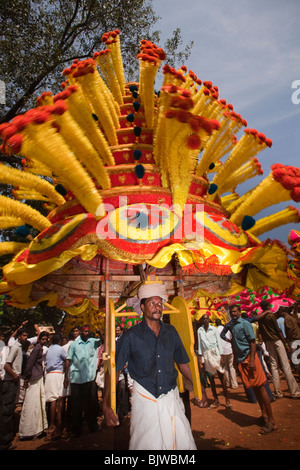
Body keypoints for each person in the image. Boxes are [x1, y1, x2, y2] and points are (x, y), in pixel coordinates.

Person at [103, 282, 197, 450]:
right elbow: (114, 370)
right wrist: (106, 405)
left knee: (181, 441)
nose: (157, 307)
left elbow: (183, 363)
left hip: (171, 395)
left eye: (160, 303)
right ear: (142, 307)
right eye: (152, 303)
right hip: (144, 397)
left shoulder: (171, 332)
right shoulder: (130, 336)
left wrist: (199, 388)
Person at [227, 304, 276, 434]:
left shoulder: (245, 324)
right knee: (255, 387)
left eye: (235, 311)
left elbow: (252, 342)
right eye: (231, 312)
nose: (233, 314)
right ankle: (264, 417)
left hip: (250, 358)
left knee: (261, 387)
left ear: (239, 311)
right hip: (242, 360)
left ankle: (271, 421)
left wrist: (253, 360)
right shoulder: (232, 326)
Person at [64, 324, 101, 437]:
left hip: (89, 379)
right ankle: (76, 430)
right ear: (80, 332)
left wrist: (99, 333)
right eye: (84, 331)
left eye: (88, 331)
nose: (86, 333)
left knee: (91, 405)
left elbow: (104, 342)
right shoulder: (74, 345)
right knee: (76, 406)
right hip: (77, 379)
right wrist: (66, 377)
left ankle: (93, 426)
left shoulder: (92, 342)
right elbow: (68, 360)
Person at [258, 301, 300, 399]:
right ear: (268, 306)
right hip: (277, 341)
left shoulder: (260, 317)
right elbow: (278, 330)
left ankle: (277, 391)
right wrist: (285, 343)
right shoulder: (271, 316)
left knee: (274, 366)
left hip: (268, 342)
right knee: (285, 365)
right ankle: (294, 392)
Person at [0, 328, 29, 450]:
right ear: (19, 336)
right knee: (7, 410)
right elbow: (6, 364)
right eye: (23, 335)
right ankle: (5, 442)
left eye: (27, 336)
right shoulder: (16, 348)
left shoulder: (16, 347)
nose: (25, 338)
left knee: (8, 409)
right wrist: (15, 375)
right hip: (10, 381)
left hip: (10, 381)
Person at [18, 331, 49, 440]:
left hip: (38, 377)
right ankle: (28, 430)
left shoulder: (39, 348)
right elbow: (30, 363)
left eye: (46, 339)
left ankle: (37, 429)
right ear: (39, 339)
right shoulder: (37, 348)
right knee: (31, 403)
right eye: (43, 339)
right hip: (34, 378)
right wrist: (27, 377)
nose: (44, 341)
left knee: (37, 403)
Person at [197, 314, 231, 409]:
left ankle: (227, 400)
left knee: (221, 376)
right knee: (211, 378)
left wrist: (222, 355)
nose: (205, 320)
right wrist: (200, 358)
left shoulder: (214, 329)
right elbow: (200, 344)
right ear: (202, 320)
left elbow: (219, 342)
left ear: (209, 320)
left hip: (215, 353)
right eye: (203, 319)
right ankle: (216, 400)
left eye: (207, 318)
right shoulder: (199, 330)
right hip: (206, 354)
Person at [44, 333, 67, 439]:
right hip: (58, 374)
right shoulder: (60, 349)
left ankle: (51, 425)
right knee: (60, 400)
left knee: (52, 401)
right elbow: (67, 360)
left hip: (49, 375)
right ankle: (59, 426)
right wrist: (66, 374)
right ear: (59, 341)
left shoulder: (49, 350)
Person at [215, 318, 239, 389]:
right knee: (231, 367)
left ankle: (228, 383)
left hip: (222, 351)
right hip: (229, 349)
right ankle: (234, 384)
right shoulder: (227, 329)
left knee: (225, 367)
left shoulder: (215, 330)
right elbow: (231, 337)